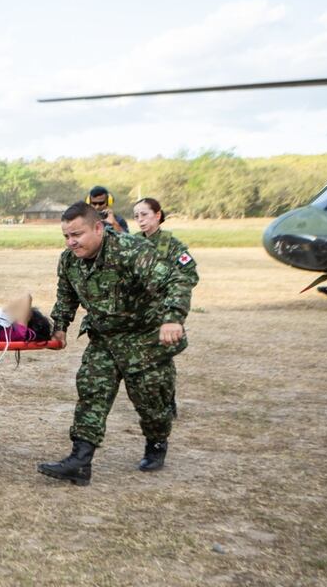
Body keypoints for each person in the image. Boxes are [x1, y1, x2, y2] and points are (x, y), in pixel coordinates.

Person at [37, 202, 196, 486]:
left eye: (77, 234)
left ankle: (156, 443)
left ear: (98, 228)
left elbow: (176, 280)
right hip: (105, 338)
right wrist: (59, 327)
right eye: (66, 236)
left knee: (152, 404)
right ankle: (80, 460)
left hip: (144, 339)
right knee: (91, 391)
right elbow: (66, 296)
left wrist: (172, 319)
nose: (72, 242)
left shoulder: (131, 251)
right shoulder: (69, 260)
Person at [132, 197, 201, 418]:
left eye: (144, 214)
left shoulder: (171, 245)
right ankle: (152, 403)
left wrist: (171, 305)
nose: (140, 220)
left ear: (158, 215)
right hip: (138, 314)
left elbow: (189, 274)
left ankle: (166, 402)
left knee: (161, 361)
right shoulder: (132, 242)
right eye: (136, 216)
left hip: (163, 313)